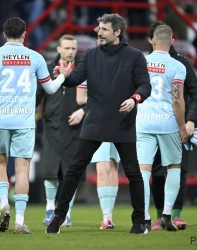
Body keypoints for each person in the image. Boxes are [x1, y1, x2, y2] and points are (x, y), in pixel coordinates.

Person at [46, 13, 152, 234]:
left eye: (104, 29)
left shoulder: (134, 56)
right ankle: (57, 218)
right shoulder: (91, 55)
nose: (99, 32)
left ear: (117, 32)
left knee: (133, 173)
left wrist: (135, 99)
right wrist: (64, 75)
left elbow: (144, 86)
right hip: (94, 122)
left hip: (123, 122)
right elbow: (76, 79)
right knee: (74, 169)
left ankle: (138, 222)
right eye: (98, 28)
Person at [0, 17, 69, 234]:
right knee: (22, 170)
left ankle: (4, 203)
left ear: (4, 34)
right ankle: (20, 221)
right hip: (24, 120)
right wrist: (63, 77)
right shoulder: (35, 57)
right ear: (25, 34)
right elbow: (50, 89)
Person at [147, 21, 197, 230]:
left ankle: (176, 215)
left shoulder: (182, 63)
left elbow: (196, 94)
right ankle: (160, 216)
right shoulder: (144, 61)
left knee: (179, 169)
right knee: (157, 172)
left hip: (178, 126)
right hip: (153, 124)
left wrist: (190, 121)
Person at [137, 24, 188, 232]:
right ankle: (167, 214)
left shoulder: (141, 62)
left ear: (152, 40)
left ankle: (145, 217)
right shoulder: (178, 66)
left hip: (144, 121)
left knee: (143, 170)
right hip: (167, 122)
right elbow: (178, 100)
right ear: (172, 41)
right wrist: (183, 126)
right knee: (174, 166)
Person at [36, 34, 87, 227]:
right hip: (51, 127)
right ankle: (50, 209)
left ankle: (65, 213)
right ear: (58, 49)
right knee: (50, 171)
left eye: (73, 49)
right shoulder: (48, 70)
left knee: (70, 174)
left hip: (75, 130)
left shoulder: (84, 70)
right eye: (66, 48)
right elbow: (38, 95)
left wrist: (83, 111)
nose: (70, 52)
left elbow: (96, 96)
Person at [76, 80, 120, 229]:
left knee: (113, 167)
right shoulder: (93, 64)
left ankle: (109, 217)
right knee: (104, 169)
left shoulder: (120, 66)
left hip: (118, 121)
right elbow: (80, 98)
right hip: (100, 122)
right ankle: (107, 217)